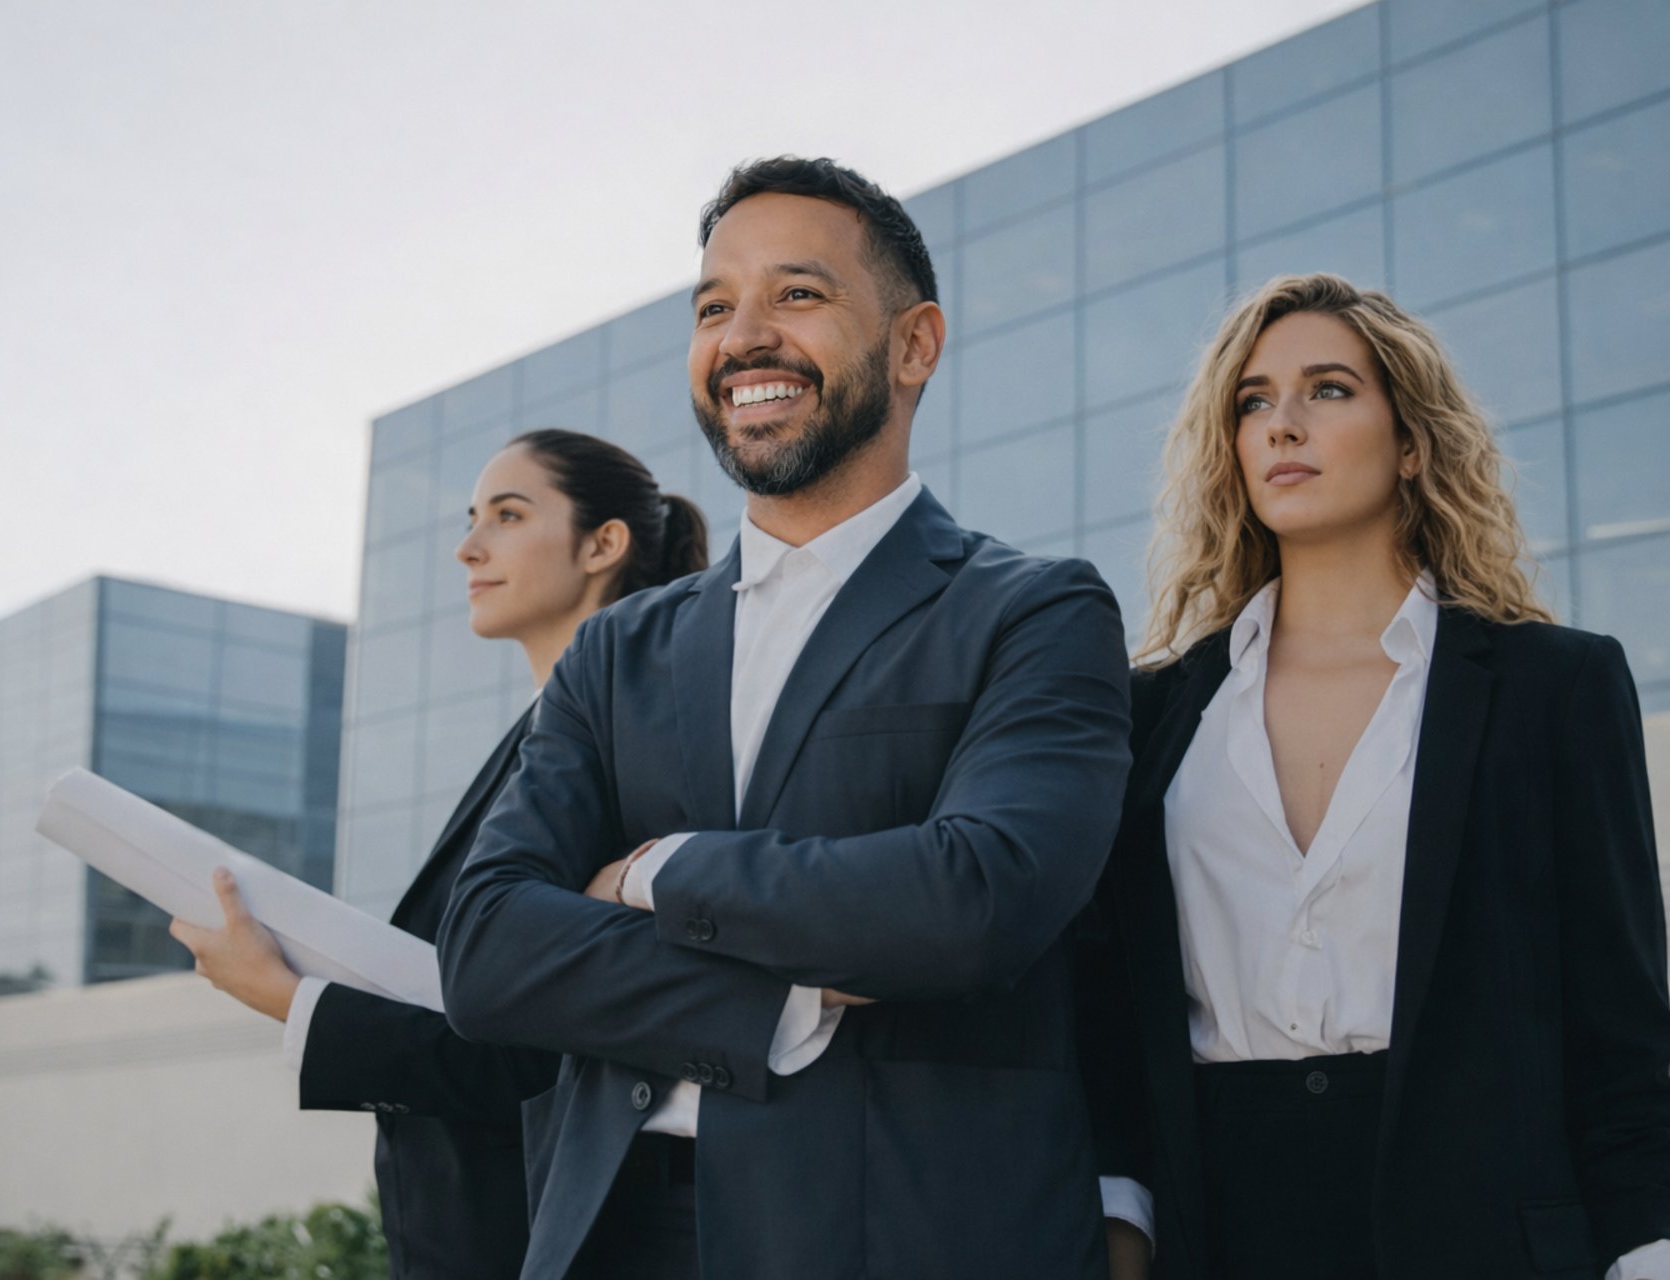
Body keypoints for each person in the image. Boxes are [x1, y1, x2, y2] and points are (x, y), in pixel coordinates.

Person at [437, 156, 1134, 1280]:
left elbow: (975, 899)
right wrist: (787, 988)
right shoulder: (620, 648)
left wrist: (662, 870)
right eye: (716, 306)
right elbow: (486, 950)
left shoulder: (1034, 611)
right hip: (611, 1235)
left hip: (888, 1236)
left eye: (796, 294)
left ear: (915, 344)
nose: (745, 335)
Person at [1079, 273, 1670, 1279]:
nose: (1283, 424)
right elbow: (1114, 1043)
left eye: (1329, 390)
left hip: (1486, 1237)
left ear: (1410, 443)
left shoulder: (1553, 688)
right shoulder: (1151, 716)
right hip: (1223, 1236)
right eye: (1254, 401)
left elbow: (1624, 1043)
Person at [169, 428, 709, 1280]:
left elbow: (549, 1046)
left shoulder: (633, 745)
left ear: (604, 544)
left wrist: (293, 998)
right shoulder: (534, 742)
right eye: (471, 519)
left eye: (508, 514)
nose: (468, 547)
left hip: (552, 1235)